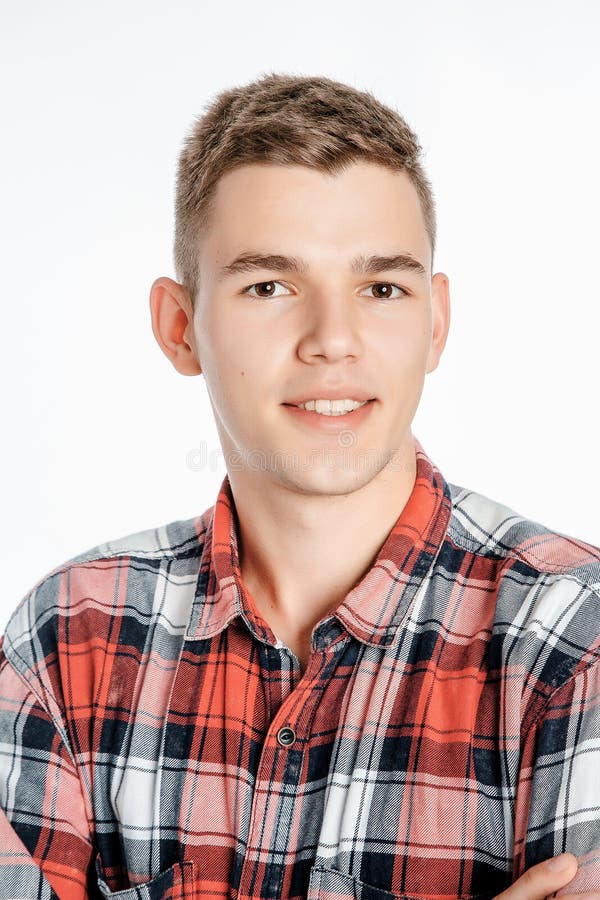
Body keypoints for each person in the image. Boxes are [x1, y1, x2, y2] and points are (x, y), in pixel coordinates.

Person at [1, 72, 599, 900]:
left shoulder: (573, 644)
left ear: (436, 322)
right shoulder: (68, 643)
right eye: (270, 287)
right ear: (181, 328)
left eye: (381, 288)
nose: (332, 340)